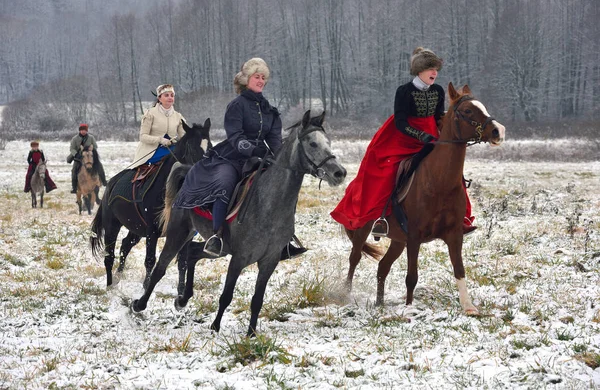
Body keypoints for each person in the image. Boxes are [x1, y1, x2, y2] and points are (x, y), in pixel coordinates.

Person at [330, 46, 477, 235]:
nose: (434, 73)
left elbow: (438, 116)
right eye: (430, 69)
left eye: (436, 69)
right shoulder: (404, 91)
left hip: (432, 136)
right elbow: (400, 121)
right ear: (419, 70)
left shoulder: (438, 90)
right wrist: (419, 135)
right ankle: (382, 218)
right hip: (403, 138)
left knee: (451, 169)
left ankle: (461, 217)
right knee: (389, 172)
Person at [173, 57, 307, 258]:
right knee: (225, 183)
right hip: (232, 157)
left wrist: (277, 157)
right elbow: (235, 136)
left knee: (283, 186)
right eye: (256, 77)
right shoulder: (237, 105)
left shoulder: (269, 110)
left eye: (263, 77)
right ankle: (217, 236)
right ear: (247, 80)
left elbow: (275, 140)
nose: (261, 81)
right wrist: (252, 148)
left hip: (261, 157)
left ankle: (284, 239)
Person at [131, 84, 187, 169]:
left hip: (171, 149)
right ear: (159, 98)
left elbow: (184, 137)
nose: (170, 97)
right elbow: (143, 137)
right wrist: (160, 140)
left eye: (172, 95)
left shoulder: (178, 117)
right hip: (150, 152)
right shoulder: (150, 114)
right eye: (166, 95)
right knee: (173, 157)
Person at [68, 123, 107, 193]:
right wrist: (77, 154)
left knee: (100, 166)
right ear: (79, 131)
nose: (83, 131)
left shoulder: (91, 138)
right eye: (82, 130)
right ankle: (74, 187)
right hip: (79, 157)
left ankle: (104, 181)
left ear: (87, 131)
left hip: (90, 157)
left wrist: (91, 150)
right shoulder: (75, 139)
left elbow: (95, 146)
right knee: (74, 170)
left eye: (85, 130)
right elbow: (72, 148)